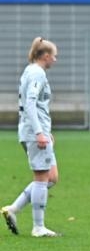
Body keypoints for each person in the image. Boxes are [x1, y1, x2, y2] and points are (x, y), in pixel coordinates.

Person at [2, 37, 60, 238]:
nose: (55, 60)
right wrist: (39, 132)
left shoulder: (30, 70)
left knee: (51, 177)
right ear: (45, 56)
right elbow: (30, 103)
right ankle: (38, 227)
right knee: (41, 178)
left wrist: (44, 130)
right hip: (34, 133)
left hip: (35, 131)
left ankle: (13, 210)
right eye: (54, 56)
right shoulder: (37, 73)